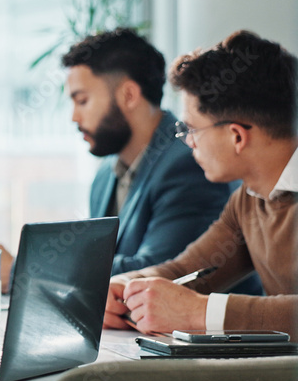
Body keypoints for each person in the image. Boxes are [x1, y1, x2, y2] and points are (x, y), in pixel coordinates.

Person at [104, 30, 297, 336]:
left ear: (236, 136)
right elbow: (185, 271)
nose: (188, 142)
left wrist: (199, 311)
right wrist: (125, 285)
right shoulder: (249, 198)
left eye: (192, 129)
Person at [64, 28, 245, 277]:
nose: (74, 117)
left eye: (82, 100)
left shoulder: (190, 162)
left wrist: (34, 267)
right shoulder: (105, 175)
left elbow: (161, 271)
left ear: (129, 95)